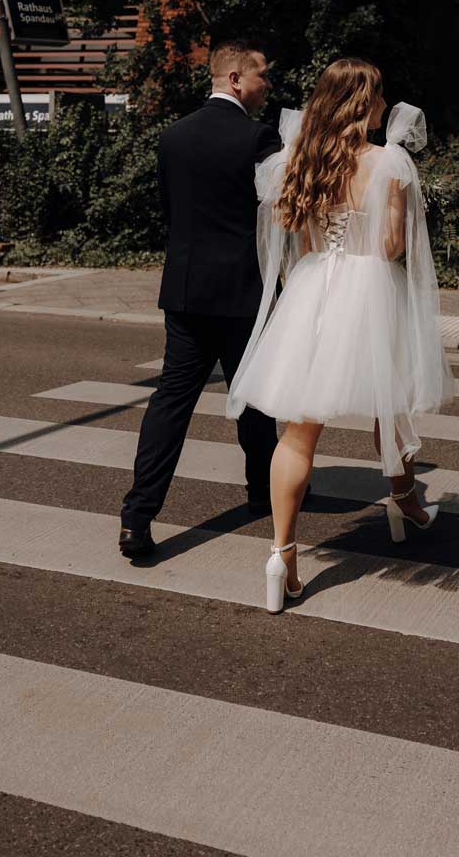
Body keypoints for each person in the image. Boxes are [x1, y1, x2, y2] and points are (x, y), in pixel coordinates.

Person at [226, 57, 454, 612]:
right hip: (369, 286)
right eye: (377, 96)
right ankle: (404, 500)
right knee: (390, 404)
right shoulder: (389, 161)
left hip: (314, 287)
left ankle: (282, 553)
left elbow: (299, 245)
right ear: (363, 102)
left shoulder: (298, 160)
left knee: (298, 433)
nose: (382, 105)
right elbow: (392, 247)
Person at [118, 41, 282, 558]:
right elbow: (272, 216)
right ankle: (263, 493)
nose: (267, 87)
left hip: (187, 291)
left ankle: (137, 518)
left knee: (170, 404)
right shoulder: (260, 137)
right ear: (235, 78)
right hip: (241, 292)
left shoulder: (173, 136)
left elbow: (172, 213)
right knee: (254, 399)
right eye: (262, 77)